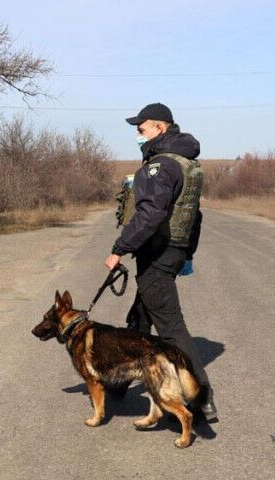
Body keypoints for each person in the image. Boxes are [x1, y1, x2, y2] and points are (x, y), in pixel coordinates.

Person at [103, 102, 218, 420]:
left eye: (141, 129)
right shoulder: (186, 162)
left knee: (171, 329)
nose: (138, 135)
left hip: (159, 252)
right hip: (172, 250)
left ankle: (202, 398)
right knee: (139, 318)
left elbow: (150, 214)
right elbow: (194, 215)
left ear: (159, 127)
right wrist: (187, 253)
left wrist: (119, 248)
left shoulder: (161, 166)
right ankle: (118, 382)